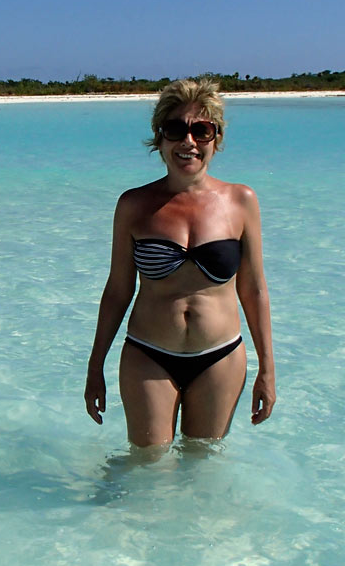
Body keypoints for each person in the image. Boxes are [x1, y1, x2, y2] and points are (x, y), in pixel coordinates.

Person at [84, 79, 275, 446]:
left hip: (220, 356)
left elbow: (254, 290)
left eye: (201, 130)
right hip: (148, 354)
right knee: (147, 467)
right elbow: (118, 290)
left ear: (215, 139)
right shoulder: (134, 205)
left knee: (203, 466)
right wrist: (95, 367)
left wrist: (267, 370)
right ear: (159, 139)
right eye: (175, 129)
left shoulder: (242, 201)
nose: (188, 142)